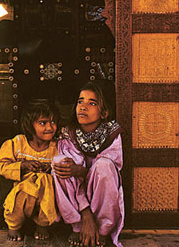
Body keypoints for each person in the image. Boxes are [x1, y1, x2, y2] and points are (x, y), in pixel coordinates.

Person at [52, 82, 124, 247]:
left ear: (104, 113)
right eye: (80, 101)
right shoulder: (69, 135)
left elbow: (110, 177)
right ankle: (78, 227)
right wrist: (86, 216)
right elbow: (71, 175)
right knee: (59, 162)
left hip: (98, 192)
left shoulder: (111, 135)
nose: (83, 107)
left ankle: (102, 230)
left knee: (104, 166)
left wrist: (81, 171)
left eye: (92, 103)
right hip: (78, 201)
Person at [0, 100, 61, 241]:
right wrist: (23, 165)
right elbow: (2, 165)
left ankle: (43, 224)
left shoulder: (57, 148)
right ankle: (14, 225)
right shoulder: (18, 144)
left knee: (45, 180)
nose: (50, 127)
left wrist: (51, 169)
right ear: (30, 125)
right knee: (22, 193)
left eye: (53, 122)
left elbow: (65, 168)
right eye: (43, 123)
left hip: (46, 196)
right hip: (23, 194)